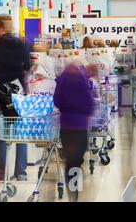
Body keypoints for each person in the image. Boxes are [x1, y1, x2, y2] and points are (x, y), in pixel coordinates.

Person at [0, 15, 30, 181]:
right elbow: (27, 66)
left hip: (3, 88)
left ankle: (0, 172)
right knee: (20, 132)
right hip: (19, 87)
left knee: (3, 132)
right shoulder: (22, 43)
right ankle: (20, 172)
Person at [54, 63, 94, 202]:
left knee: (70, 160)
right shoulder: (82, 80)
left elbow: (57, 100)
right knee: (77, 161)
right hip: (81, 127)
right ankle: (75, 190)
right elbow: (90, 103)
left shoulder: (62, 80)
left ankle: (72, 193)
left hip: (66, 126)